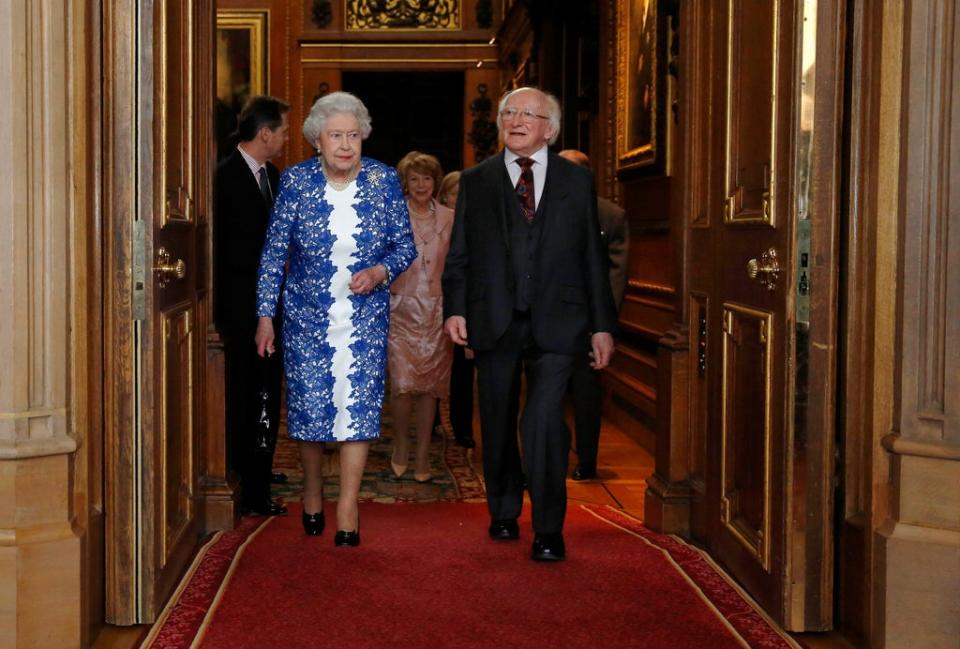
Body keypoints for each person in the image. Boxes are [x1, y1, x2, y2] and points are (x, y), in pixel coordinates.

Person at [442, 87, 617, 562]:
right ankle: (502, 508)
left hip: (561, 321)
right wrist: (455, 308)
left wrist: (602, 325)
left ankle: (547, 527)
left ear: (551, 129)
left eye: (528, 114)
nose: (515, 120)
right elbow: (459, 253)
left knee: (542, 420)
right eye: (508, 113)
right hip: (493, 318)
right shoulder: (477, 181)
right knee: (495, 419)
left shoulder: (575, 181)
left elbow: (591, 258)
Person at [255, 91, 416, 546]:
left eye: (353, 135)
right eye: (335, 136)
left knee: (359, 410)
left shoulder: (384, 181)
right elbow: (273, 255)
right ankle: (311, 489)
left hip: (365, 316)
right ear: (317, 141)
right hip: (306, 316)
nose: (346, 144)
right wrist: (266, 316)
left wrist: (381, 270)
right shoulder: (296, 182)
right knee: (309, 410)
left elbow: (404, 246)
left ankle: (348, 503)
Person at [214, 95, 291, 517]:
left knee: (265, 391)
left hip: (271, 306)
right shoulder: (223, 178)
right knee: (246, 396)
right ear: (265, 133)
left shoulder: (273, 176)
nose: (284, 138)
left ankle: (259, 470)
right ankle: (251, 486)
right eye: (282, 130)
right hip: (240, 311)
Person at [557, 149, 629, 481]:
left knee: (586, 397)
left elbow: (616, 274)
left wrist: (602, 323)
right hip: (547, 321)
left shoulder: (610, 215)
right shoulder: (538, 208)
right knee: (546, 395)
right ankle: (548, 459)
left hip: (587, 324)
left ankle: (587, 461)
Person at [387, 152, 455, 483]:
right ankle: (401, 445)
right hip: (400, 308)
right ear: (405, 183)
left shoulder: (450, 217)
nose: (421, 185)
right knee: (402, 385)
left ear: (435, 182)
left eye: (426, 178)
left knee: (431, 387)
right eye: (414, 179)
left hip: (438, 310)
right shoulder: (391, 215)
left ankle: (424, 454)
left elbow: (458, 266)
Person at [438, 171, 477, 449]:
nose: (460, 197)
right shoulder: (436, 220)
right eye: (455, 192)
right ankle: (432, 423)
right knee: (434, 366)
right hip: (431, 302)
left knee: (463, 370)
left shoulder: (478, 222)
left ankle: (462, 427)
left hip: (467, 303)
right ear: (444, 195)